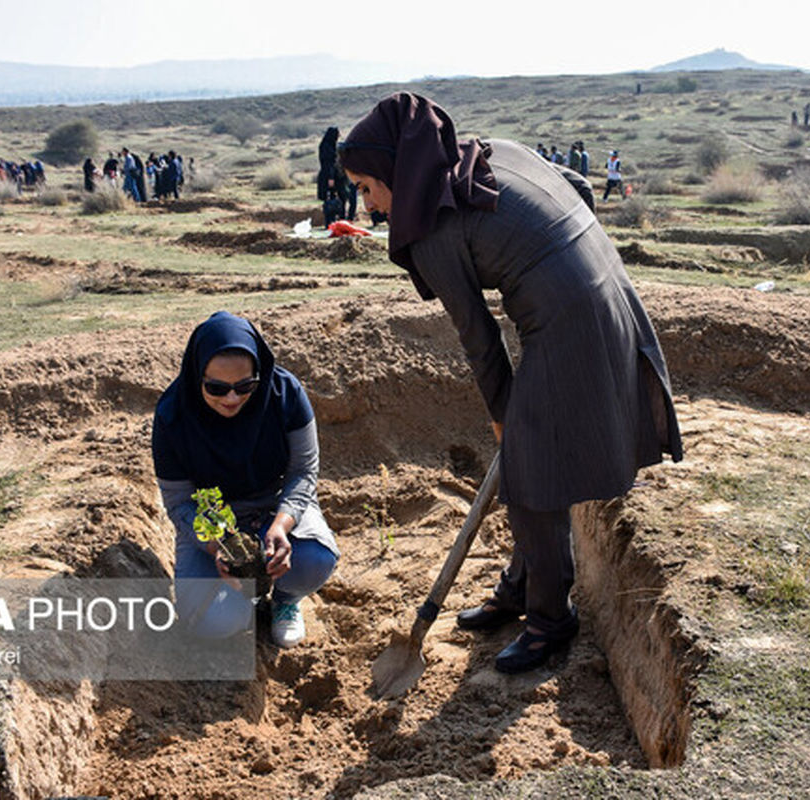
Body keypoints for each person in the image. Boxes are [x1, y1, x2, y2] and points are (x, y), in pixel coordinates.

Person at [339, 93, 681, 674]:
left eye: (369, 188)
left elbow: (480, 339)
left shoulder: (432, 230)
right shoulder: (492, 153)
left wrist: (503, 415)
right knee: (529, 455)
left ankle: (551, 620)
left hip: (570, 316)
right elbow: (572, 183)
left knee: (531, 469)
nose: (367, 207)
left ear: (398, 171)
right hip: (603, 282)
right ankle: (521, 588)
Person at [152, 312, 339, 648]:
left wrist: (281, 526)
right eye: (216, 387)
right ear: (197, 377)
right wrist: (216, 545)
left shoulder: (286, 395)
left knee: (315, 559)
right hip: (209, 517)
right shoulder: (172, 416)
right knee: (213, 622)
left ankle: (285, 600)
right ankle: (241, 603)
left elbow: (303, 471)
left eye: (245, 386)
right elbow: (179, 501)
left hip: (273, 502)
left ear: (259, 374)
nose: (232, 398)